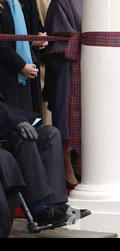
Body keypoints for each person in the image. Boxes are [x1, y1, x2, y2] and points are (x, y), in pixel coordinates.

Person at [0, 92, 90, 232]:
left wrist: (26, 119)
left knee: (50, 133)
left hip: (6, 121)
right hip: (5, 132)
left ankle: (56, 205)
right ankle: (39, 210)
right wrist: (17, 121)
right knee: (25, 138)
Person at [43, 0, 83, 189]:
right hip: (67, 67)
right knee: (66, 117)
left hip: (87, 65)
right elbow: (59, 36)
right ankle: (66, 168)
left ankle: (82, 164)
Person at [0, 0, 39, 114]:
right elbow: (2, 44)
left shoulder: (14, 1)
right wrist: (21, 65)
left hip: (21, 75)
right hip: (6, 76)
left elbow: (20, 38)